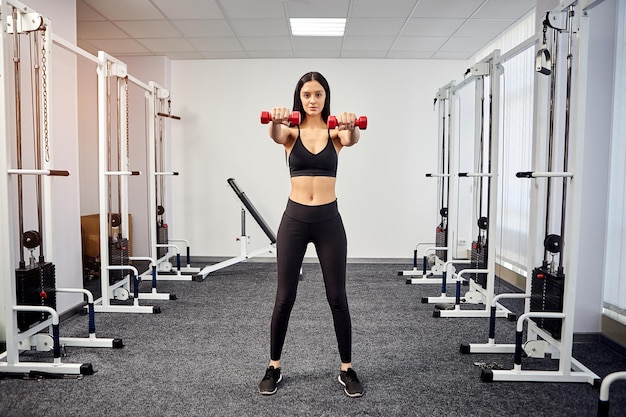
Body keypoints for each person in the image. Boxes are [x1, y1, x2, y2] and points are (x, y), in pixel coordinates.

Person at [258, 71, 364, 398]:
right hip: (295, 220)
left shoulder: (335, 131)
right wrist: (276, 118)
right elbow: (275, 135)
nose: (313, 100)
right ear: (299, 98)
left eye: (318, 94)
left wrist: (351, 125)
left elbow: (351, 140)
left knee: (337, 297)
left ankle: (346, 369)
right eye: (307, 95)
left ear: (325, 97)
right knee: (284, 297)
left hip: (329, 221)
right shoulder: (291, 131)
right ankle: (273, 366)